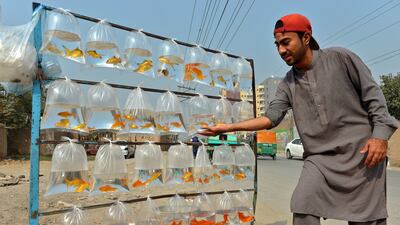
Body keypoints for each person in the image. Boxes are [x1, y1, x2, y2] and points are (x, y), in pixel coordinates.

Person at [199, 13, 399, 225]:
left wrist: (379, 137)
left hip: (363, 155)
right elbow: (271, 118)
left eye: (286, 42)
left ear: (306, 37)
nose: (281, 50)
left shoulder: (341, 58)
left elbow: (373, 96)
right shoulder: (287, 83)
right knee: (303, 204)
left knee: (365, 220)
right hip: (320, 160)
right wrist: (228, 127)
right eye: (277, 45)